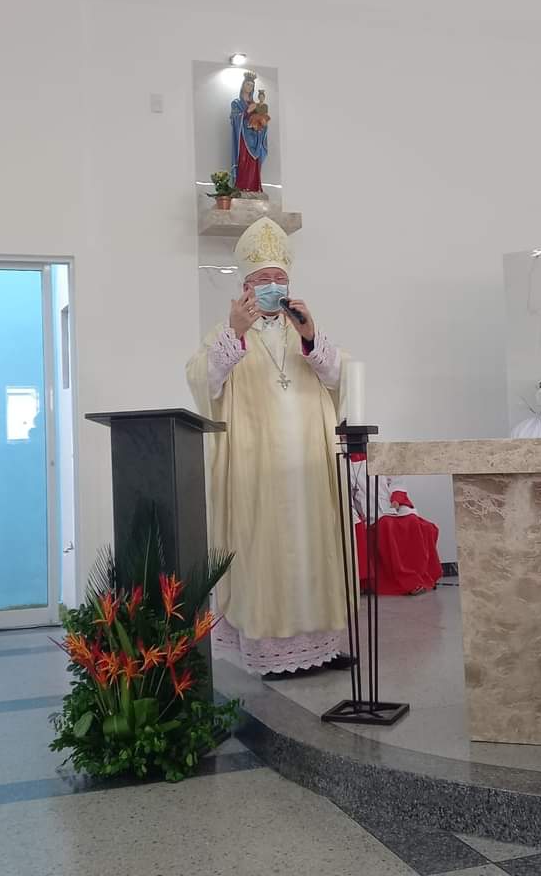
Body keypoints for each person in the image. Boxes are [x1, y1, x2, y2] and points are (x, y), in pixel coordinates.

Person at [186, 217, 349, 677]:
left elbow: (341, 378)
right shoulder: (225, 333)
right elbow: (202, 381)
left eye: (280, 278)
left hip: (308, 463)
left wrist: (312, 337)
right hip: (255, 465)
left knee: (314, 548)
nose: (273, 286)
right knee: (265, 550)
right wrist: (235, 333)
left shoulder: (304, 330)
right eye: (263, 279)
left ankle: (322, 645)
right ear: (245, 288)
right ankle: (271, 651)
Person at [350, 454, 442, 596]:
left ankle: (420, 576)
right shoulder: (345, 464)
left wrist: (396, 499)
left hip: (392, 504)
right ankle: (407, 581)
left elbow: (396, 482)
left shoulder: (380, 456)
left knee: (414, 522)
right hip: (370, 510)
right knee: (387, 525)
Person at [230, 72, 268, 193]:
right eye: (247, 84)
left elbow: (261, 119)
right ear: (243, 85)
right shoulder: (236, 103)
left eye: (252, 85)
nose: (249, 87)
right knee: (243, 161)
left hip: (255, 138)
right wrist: (247, 111)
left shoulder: (256, 105)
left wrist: (263, 124)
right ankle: (242, 187)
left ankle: (254, 187)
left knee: (253, 163)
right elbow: (235, 119)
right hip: (243, 137)